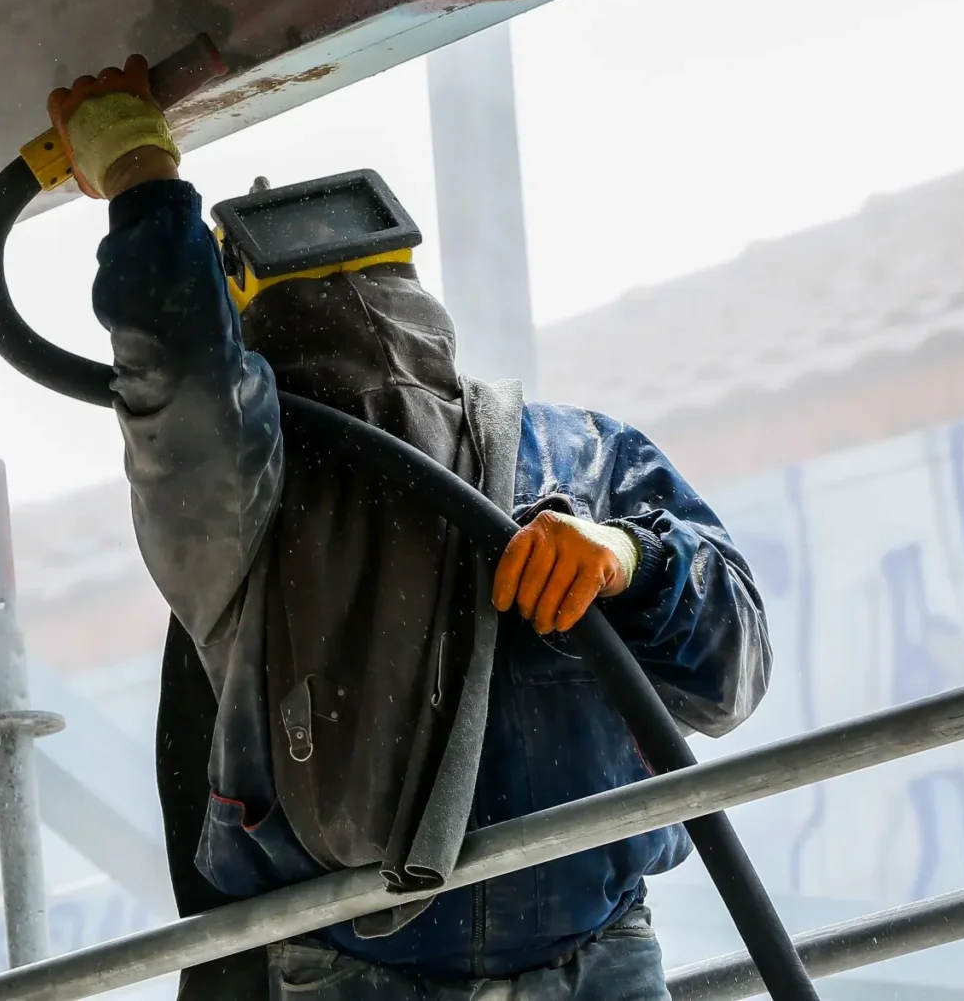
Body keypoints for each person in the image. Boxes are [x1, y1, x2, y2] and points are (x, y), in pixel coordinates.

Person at [46, 57, 771, 1001]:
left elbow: (732, 669)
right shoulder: (255, 491)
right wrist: (141, 177)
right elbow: (185, 391)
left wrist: (631, 559)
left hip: (583, 959)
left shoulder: (574, 458)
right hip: (398, 973)